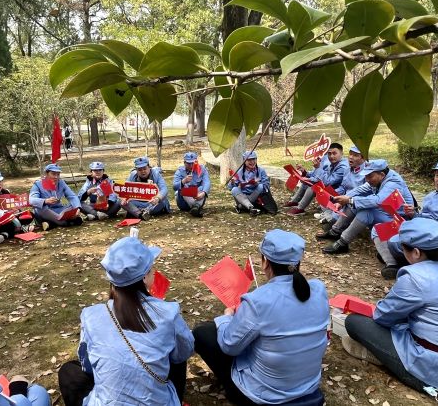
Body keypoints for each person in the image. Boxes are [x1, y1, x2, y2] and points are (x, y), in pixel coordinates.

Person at [344, 218, 438, 400]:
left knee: (353, 322)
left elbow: (382, 317)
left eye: (403, 248)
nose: (402, 252)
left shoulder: (415, 277)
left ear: (416, 252)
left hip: (433, 366)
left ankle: (403, 369)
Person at [193, 229, 329, 406]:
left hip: (264, 396)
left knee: (203, 333)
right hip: (307, 386)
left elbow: (229, 346)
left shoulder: (258, 301)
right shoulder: (318, 289)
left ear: (265, 262)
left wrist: (227, 317)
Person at [58, 237, 194, 406]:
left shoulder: (91, 316)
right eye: (152, 269)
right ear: (144, 277)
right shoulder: (168, 312)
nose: (154, 272)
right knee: (176, 353)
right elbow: (184, 351)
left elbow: (89, 367)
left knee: (69, 371)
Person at [383, 159, 438, 278]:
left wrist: (419, 236)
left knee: (397, 242)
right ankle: (403, 264)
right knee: (389, 235)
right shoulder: (432, 195)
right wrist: (413, 214)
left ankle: (415, 269)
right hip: (424, 234)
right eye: (437, 175)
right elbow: (424, 219)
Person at [321, 159, 413, 258]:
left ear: (381, 175)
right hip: (385, 213)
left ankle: (343, 242)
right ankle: (335, 231)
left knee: (365, 211)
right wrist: (344, 199)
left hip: (399, 219)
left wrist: (350, 200)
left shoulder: (393, 182)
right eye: (366, 176)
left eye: (370, 176)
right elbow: (361, 188)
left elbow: (378, 201)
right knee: (354, 203)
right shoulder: (381, 177)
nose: (367, 179)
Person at [286, 143, 348, 215]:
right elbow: (322, 176)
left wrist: (317, 169)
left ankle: (300, 208)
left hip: (340, 193)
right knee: (307, 183)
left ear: (341, 153)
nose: (331, 156)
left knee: (313, 187)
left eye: (334, 153)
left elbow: (327, 182)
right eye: (329, 154)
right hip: (331, 188)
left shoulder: (342, 167)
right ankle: (295, 202)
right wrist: (305, 173)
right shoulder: (332, 163)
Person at [315, 145, 366, 226]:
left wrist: (346, 199)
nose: (351, 157)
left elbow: (365, 193)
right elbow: (343, 186)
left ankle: (333, 219)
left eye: (355, 155)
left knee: (332, 223)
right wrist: (332, 195)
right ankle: (331, 216)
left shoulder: (367, 172)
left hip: (356, 201)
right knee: (325, 197)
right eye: (350, 154)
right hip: (344, 198)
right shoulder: (347, 169)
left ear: (363, 158)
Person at [29, 164, 83, 230]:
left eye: (58, 174)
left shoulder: (61, 182)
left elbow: (72, 196)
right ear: (46, 174)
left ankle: (51, 224)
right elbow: (31, 200)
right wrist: (45, 201)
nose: (56, 177)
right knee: (39, 208)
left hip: (61, 209)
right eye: (53, 174)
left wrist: (77, 208)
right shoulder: (38, 184)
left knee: (71, 204)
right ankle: (66, 222)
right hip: (47, 211)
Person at [228, 151, 277, 216]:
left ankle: (245, 206)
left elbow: (266, 185)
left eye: (254, 159)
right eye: (249, 160)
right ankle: (251, 207)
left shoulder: (261, 171)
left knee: (261, 186)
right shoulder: (239, 172)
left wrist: (257, 183)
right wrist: (232, 182)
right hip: (243, 196)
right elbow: (230, 188)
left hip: (256, 196)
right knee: (234, 189)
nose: (252, 162)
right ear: (244, 162)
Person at [120, 156, 170, 220]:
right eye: (139, 169)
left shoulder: (156, 174)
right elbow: (126, 189)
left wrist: (157, 198)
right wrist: (125, 198)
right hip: (139, 202)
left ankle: (139, 212)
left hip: (152, 203)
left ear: (149, 167)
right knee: (121, 201)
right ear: (136, 170)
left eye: (144, 168)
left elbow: (164, 189)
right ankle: (140, 214)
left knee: (163, 200)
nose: (143, 171)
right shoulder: (133, 175)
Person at [173, 152, 211, 217]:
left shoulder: (202, 169)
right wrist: (183, 181)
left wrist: (203, 193)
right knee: (183, 187)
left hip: (198, 197)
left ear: (196, 162)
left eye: (193, 163)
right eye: (188, 163)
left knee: (202, 188)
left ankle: (195, 208)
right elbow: (174, 187)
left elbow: (207, 182)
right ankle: (195, 207)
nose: (191, 165)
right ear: (184, 162)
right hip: (183, 203)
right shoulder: (180, 171)